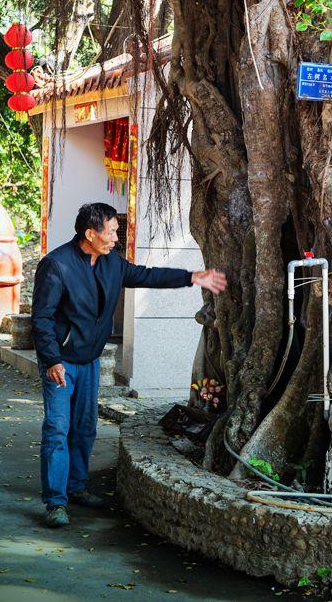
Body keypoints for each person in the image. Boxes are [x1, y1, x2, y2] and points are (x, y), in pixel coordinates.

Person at [32, 201, 227, 528]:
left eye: (116, 232)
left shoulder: (112, 264)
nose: (115, 238)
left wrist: (192, 277)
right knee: (56, 430)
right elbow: (42, 319)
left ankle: (77, 486)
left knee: (84, 428)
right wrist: (51, 360)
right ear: (90, 233)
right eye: (110, 232)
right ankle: (55, 502)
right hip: (61, 365)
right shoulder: (57, 265)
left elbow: (148, 276)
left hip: (90, 362)